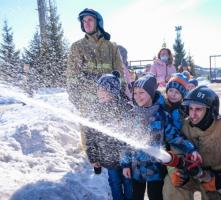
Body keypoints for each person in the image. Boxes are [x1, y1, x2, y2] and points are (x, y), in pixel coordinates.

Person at [121, 74, 201, 200]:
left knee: (156, 196)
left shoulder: (162, 115)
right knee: (136, 196)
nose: (137, 96)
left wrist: (190, 149)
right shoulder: (131, 116)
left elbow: (174, 137)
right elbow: (125, 142)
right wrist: (125, 164)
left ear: (151, 93)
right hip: (136, 170)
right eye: (135, 93)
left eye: (141, 92)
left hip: (156, 171)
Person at [163, 86, 221, 200]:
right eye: (190, 109)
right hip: (189, 175)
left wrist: (220, 181)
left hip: (214, 178)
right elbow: (176, 150)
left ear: (210, 111)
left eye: (198, 109)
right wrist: (175, 172)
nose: (192, 115)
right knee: (171, 185)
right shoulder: (184, 126)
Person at [66, 8, 126, 114]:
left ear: (98, 22)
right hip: (87, 102)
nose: (86, 23)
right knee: (88, 130)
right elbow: (72, 74)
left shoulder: (111, 46)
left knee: (110, 129)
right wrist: (75, 97)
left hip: (110, 100)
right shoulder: (77, 47)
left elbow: (120, 72)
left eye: (90, 20)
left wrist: (119, 92)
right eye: (84, 21)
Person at [84, 71, 133, 200]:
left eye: (104, 89)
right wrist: (93, 157)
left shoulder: (124, 108)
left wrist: (126, 163)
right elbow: (90, 137)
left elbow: (129, 137)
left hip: (126, 160)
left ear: (113, 91)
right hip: (108, 158)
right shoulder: (95, 111)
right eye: (99, 89)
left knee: (129, 184)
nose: (100, 92)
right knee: (114, 184)